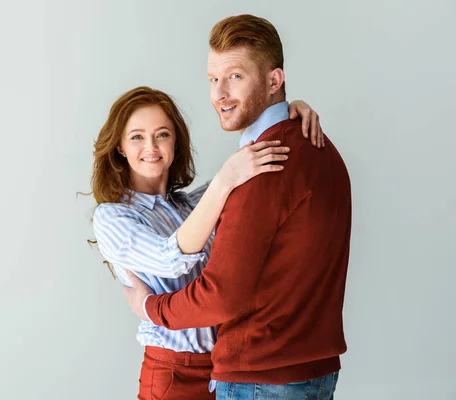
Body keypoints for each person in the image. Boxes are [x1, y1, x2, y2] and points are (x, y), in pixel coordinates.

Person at [123, 14, 352, 400]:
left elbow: (220, 294)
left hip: (261, 378)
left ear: (274, 79)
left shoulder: (263, 166)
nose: (220, 95)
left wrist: (152, 308)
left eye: (235, 77)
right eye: (214, 80)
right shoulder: (321, 147)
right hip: (315, 373)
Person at [91, 85, 325, 399]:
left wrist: (288, 114)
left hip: (224, 367)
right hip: (172, 371)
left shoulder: (190, 205)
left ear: (175, 141)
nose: (151, 146)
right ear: (119, 146)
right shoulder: (112, 216)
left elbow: (250, 168)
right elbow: (169, 258)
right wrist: (226, 179)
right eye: (136, 136)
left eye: (162, 134)